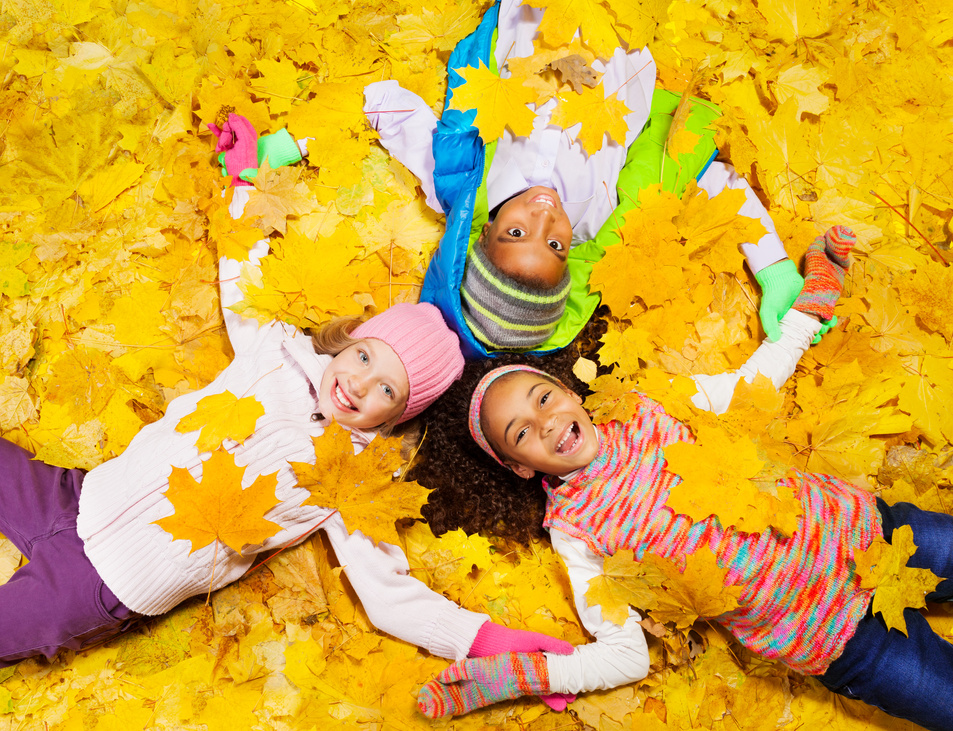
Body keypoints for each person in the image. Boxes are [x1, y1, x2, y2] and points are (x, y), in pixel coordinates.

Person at [0, 129, 576, 683]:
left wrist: (479, 640)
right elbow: (242, 275)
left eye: (387, 392)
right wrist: (244, 180)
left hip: (105, 584)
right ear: (352, 340)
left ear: (395, 417)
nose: (361, 384)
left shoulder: (347, 481)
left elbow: (389, 595)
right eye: (367, 357)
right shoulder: (275, 349)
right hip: (81, 494)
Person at [413, 227, 953, 731]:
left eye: (545, 398)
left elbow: (752, 384)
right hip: (842, 641)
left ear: (571, 392)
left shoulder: (647, 405)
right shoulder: (574, 531)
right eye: (522, 433)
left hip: (871, 534)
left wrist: (807, 312)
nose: (547, 422)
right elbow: (624, 654)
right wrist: (522, 677)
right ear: (520, 466)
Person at [364, 0, 809, 358]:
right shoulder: (602, 223)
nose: (544, 219)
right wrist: (772, 266)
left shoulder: (461, 186)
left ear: (482, 236)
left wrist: (299, 142)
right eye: (555, 245)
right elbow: (704, 177)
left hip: (537, 17)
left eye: (516, 233)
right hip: (622, 36)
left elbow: (391, 109)